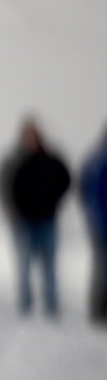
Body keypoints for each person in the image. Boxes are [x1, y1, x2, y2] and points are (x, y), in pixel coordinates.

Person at [0, 117, 71, 320]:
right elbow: (2, 185)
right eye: (29, 135)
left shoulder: (51, 159)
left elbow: (66, 179)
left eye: (35, 135)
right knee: (23, 266)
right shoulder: (14, 160)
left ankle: (51, 309)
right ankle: (25, 308)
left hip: (46, 221)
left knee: (49, 268)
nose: (33, 140)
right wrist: (10, 209)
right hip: (23, 223)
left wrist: (55, 202)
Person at [81, 123, 107, 326]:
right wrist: (92, 214)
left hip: (98, 222)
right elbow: (84, 188)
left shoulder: (94, 158)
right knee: (100, 269)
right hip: (100, 225)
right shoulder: (97, 159)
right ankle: (98, 310)